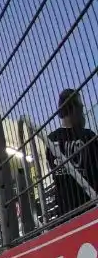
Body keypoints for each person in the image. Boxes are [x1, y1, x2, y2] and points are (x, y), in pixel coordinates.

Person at [48, 88, 98, 220]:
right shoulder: (88, 136)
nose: (83, 112)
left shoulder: (50, 140)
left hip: (65, 211)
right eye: (81, 107)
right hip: (90, 206)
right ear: (73, 109)